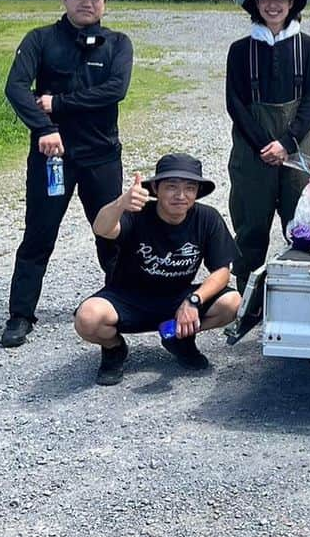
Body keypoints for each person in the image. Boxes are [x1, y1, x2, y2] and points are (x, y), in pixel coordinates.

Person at [0, 0, 134, 348]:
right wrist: (44, 127)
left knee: (112, 234)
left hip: (101, 156)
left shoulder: (117, 44)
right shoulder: (40, 40)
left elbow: (115, 90)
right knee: (39, 235)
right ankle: (20, 314)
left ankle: (123, 304)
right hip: (52, 158)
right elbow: (16, 88)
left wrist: (58, 103)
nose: (88, 2)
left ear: (105, 3)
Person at [74, 154, 240, 385]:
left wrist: (193, 300)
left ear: (197, 191)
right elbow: (102, 228)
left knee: (233, 303)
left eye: (189, 188)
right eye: (172, 187)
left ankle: (179, 337)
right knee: (87, 318)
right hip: (127, 297)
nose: (181, 196)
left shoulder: (206, 217)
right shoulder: (137, 214)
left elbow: (221, 270)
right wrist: (121, 203)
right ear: (156, 188)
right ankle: (114, 349)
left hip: (177, 298)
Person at [225, 0, 310, 292]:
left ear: (291, 4)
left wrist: (286, 141)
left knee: (303, 222)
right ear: (256, 5)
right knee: (251, 224)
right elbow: (235, 104)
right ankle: (247, 298)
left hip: (299, 147)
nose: (272, 5)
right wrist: (263, 144)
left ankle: (299, 294)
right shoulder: (240, 50)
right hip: (253, 151)